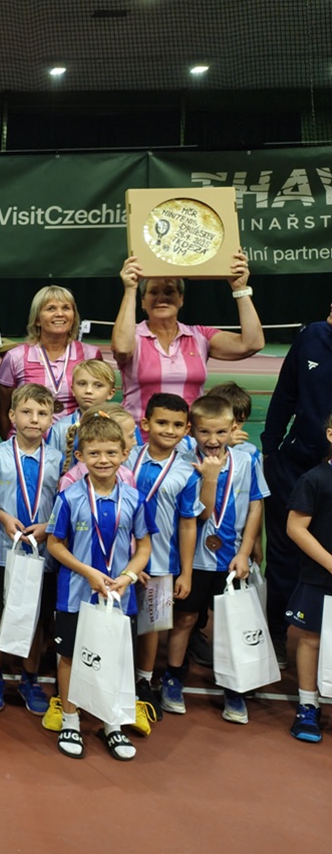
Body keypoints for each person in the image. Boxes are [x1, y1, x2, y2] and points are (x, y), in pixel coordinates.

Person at [45, 410, 151, 760]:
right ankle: (71, 720)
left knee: (116, 659)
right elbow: (55, 544)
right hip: (75, 594)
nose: (103, 460)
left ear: (124, 454)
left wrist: (128, 577)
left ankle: (112, 723)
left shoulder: (134, 499)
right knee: (70, 656)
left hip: (119, 597)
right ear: (80, 456)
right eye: (94, 453)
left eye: (110, 453)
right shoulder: (69, 498)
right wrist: (87, 572)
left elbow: (144, 547)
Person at [160, 394, 263, 723]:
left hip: (232, 560)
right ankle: (173, 677)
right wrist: (211, 477)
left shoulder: (247, 460)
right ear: (192, 431)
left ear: (233, 429)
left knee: (232, 622)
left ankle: (234, 687)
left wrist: (245, 552)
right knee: (185, 619)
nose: (213, 439)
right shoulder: (183, 462)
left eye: (220, 432)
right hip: (194, 560)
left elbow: (256, 506)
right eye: (204, 432)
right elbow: (201, 515)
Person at [0, 383, 65, 715]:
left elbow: (64, 505)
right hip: (3, 550)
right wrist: (2, 517)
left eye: (42, 413)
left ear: (51, 419)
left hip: (43, 554)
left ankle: (30, 678)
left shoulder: (58, 460)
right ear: (12, 415)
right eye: (27, 412)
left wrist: (48, 527)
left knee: (36, 616)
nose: (34, 419)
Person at [110, 251, 264, 421]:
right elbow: (122, 349)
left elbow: (252, 343)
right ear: (143, 301)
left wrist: (240, 288)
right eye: (153, 292)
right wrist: (130, 289)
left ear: (181, 299)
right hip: (139, 434)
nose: (161, 298)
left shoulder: (199, 336)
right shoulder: (133, 337)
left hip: (188, 435)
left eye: (169, 292)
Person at [261, 302, 332, 665]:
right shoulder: (311, 336)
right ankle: (276, 632)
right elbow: (285, 393)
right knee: (284, 554)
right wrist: (270, 449)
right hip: (295, 466)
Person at [125, 392, 201, 716]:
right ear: (145, 423)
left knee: (152, 626)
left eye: (177, 425)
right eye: (162, 423)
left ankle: (143, 680)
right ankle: (116, 674)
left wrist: (186, 572)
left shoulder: (187, 472)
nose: (169, 430)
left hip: (162, 563)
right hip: (119, 559)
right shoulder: (126, 458)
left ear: (187, 429)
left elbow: (188, 524)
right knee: (118, 620)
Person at [0, 285, 102, 439]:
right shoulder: (15, 357)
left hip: (76, 445)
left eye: (66, 308)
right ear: (37, 319)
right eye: (51, 308)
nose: (60, 314)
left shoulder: (90, 355)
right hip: (30, 445)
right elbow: (1, 412)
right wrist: (17, 444)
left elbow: (98, 405)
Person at [283, 411, 332, 743]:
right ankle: (307, 704)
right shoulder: (315, 479)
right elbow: (295, 528)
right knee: (311, 639)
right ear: (330, 435)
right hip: (319, 577)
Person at [45, 358, 116, 467]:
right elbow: (51, 467)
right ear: (73, 390)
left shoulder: (122, 425)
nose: (88, 391)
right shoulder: (60, 429)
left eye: (98, 385)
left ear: (110, 393)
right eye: (82, 384)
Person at [59, 403, 137, 490]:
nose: (135, 442)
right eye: (131, 436)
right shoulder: (71, 480)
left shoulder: (126, 475)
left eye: (110, 453)